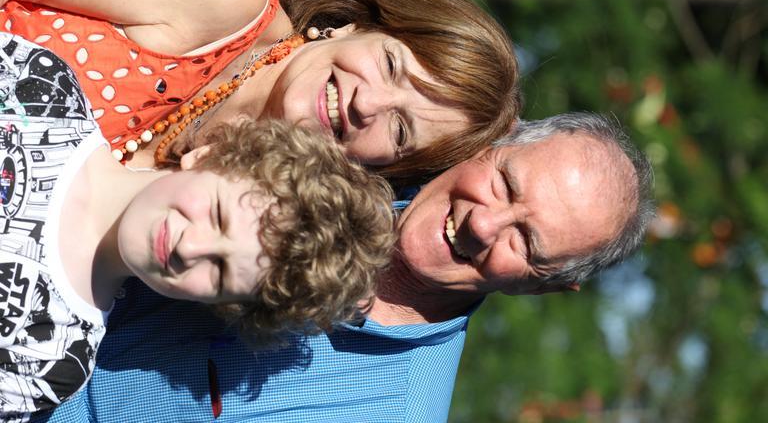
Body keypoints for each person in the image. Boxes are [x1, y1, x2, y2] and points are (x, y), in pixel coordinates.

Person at [33, 112, 655, 422]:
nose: (484, 224)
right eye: (505, 183)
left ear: (546, 287)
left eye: (526, 242)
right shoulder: (348, 140)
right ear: (491, 144)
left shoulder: (390, 411)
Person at [0, 33, 395, 419]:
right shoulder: (41, 91)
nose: (191, 248)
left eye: (220, 272)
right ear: (209, 155)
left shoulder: (54, 354)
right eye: (218, 215)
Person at [0, 0, 520, 185]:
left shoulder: (231, 225)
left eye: (401, 129)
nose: (369, 104)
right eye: (391, 65)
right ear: (353, 25)